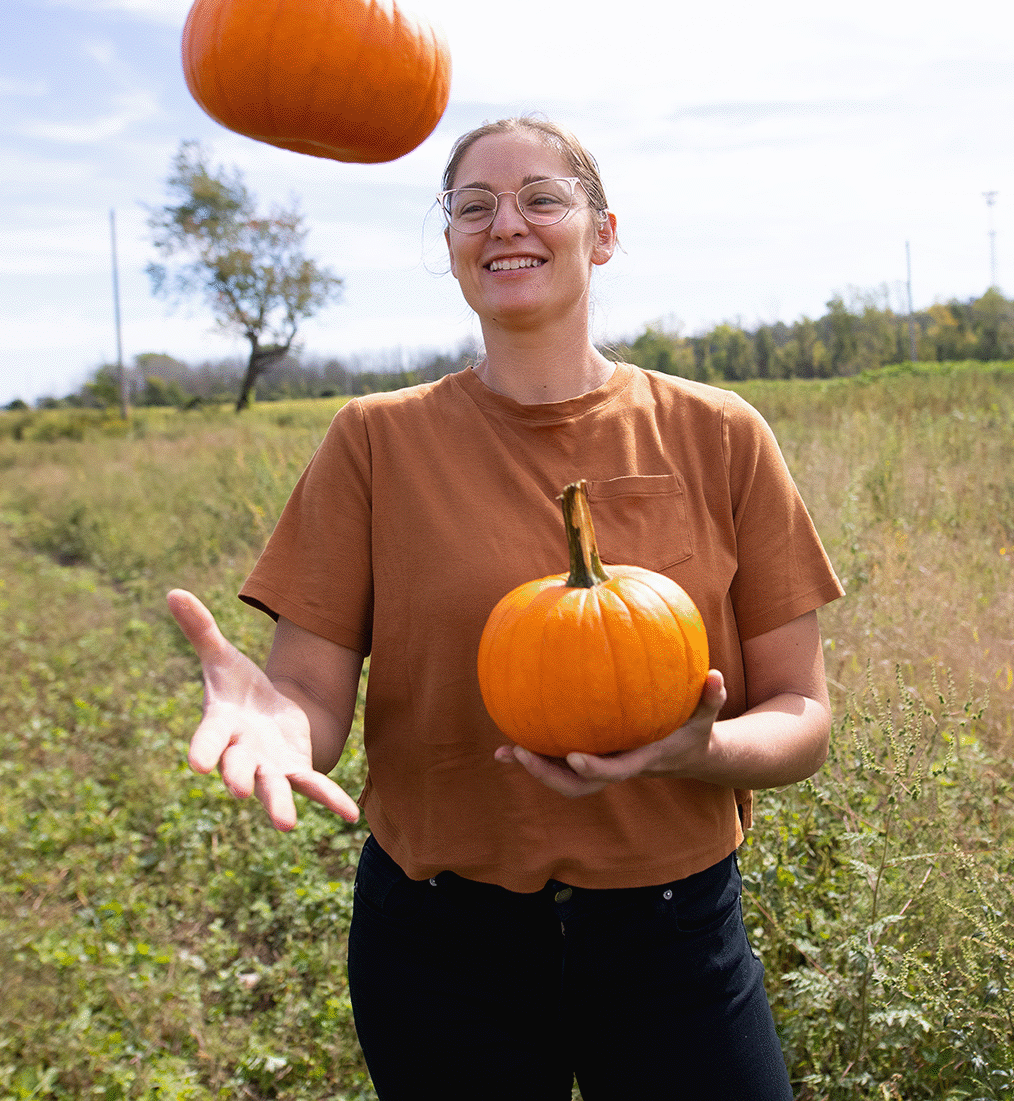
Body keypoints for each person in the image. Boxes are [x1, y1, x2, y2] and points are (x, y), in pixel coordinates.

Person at [168, 115, 843, 1099]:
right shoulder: (374, 444)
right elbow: (308, 703)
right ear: (449, 247)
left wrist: (699, 751)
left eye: (540, 198)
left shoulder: (718, 434)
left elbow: (802, 718)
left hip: (672, 937)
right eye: (472, 207)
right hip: (442, 945)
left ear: (601, 233)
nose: (504, 225)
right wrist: (275, 725)